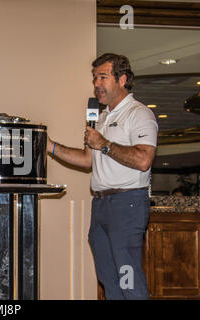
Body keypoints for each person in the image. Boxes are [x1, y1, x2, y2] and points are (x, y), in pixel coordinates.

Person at [47, 53, 158, 299]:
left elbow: (143, 160)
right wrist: (51, 146)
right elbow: (88, 160)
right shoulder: (104, 117)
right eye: (94, 78)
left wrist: (104, 144)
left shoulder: (139, 114)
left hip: (127, 205)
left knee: (129, 281)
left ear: (122, 79)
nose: (96, 84)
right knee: (109, 282)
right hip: (101, 206)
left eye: (103, 77)